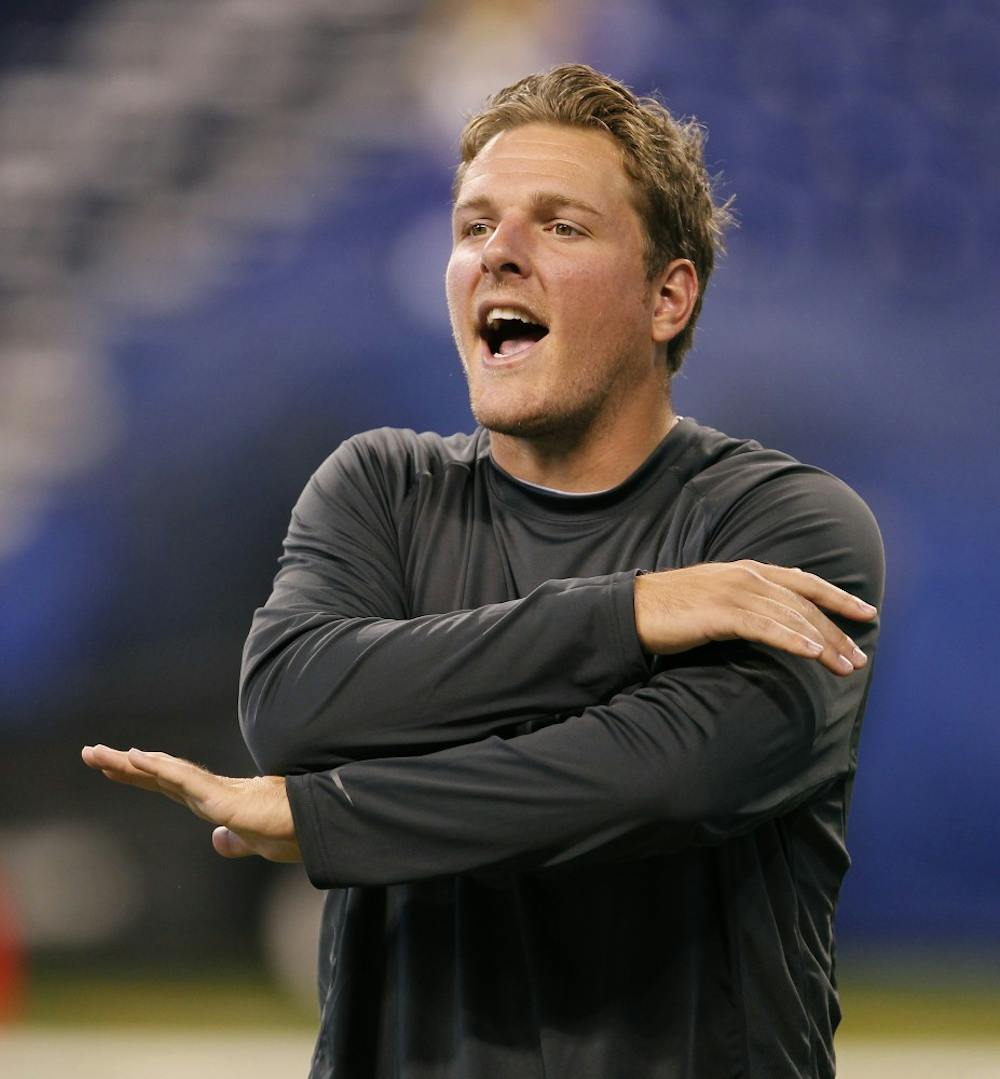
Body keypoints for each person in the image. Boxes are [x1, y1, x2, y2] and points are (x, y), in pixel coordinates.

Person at [83, 64, 884, 1079]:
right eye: (473, 227)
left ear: (667, 296)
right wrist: (631, 612)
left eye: (559, 226)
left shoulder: (786, 524)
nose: (497, 252)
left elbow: (666, 775)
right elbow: (293, 703)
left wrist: (328, 815)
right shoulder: (379, 489)